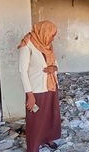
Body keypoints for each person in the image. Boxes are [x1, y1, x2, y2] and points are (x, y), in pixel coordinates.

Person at [18, 20, 61, 152]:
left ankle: (47, 137)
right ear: (43, 31)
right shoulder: (27, 45)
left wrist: (54, 67)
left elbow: (55, 63)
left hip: (51, 86)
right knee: (35, 120)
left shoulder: (47, 45)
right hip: (36, 90)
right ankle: (33, 147)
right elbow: (22, 70)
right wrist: (29, 95)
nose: (52, 38)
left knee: (50, 115)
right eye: (51, 35)